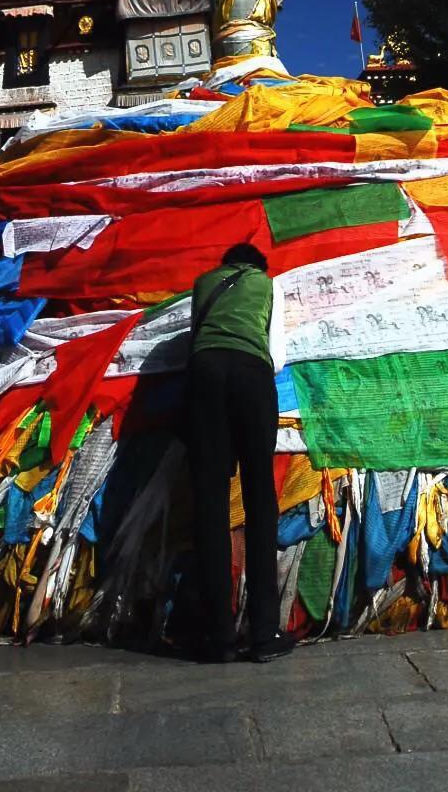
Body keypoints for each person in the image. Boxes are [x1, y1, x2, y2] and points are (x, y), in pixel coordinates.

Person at [185, 243, 292, 664]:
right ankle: (264, 633)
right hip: (250, 378)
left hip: (204, 377)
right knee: (260, 502)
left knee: (209, 504)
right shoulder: (268, 286)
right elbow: (277, 356)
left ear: (225, 263)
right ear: (258, 266)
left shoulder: (203, 284)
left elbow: (196, 337)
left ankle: (219, 637)